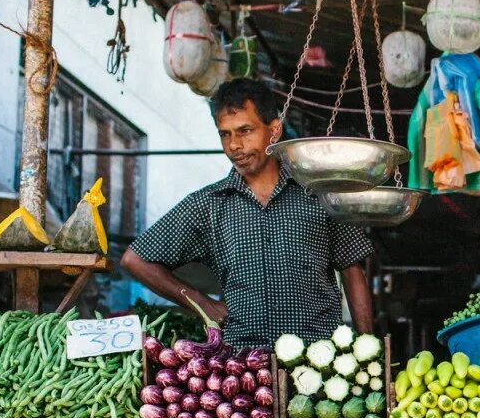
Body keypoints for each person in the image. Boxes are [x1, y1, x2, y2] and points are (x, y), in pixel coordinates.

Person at [122, 78, 375, 348]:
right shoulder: (208, 204)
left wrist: (367, 347)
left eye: (245, 131)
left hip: (318, 361)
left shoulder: (319, 193)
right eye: (225, 134)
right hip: (244, 370)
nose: (234, 145)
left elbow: (352, 268)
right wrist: (203, 303)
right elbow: (135, 260)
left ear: (274, 130)